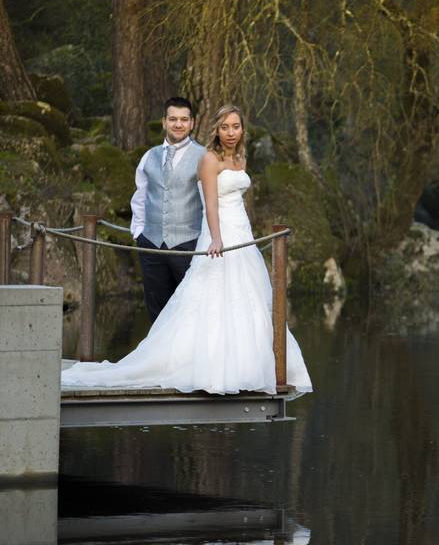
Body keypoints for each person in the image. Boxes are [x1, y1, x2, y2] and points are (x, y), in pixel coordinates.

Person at [62, 104, 312, 395]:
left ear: (243, 129)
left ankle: (249, 366)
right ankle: (204, 366)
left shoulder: (240, 157)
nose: (231, 132)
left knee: (248, 297)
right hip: (220, 233)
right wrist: (216, 238)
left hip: (241, 233)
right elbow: (210, 204)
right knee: (210, 297)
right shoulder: (209, 159)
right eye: (225, 127)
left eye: (236, 126)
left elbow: (237, 200)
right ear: (215, 130)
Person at [130, 97, 206, 321]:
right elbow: (140, 197)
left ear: (192, 123)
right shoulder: (149, 156)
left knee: (190, 309)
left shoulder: (204, 157)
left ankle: (188, 357)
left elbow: (209, 202)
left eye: (184, 119)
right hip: (151, 245)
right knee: (157, 310)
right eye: (173, 119)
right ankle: (160, 357)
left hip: (188, 245)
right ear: (164, 122)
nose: (178, 124)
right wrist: (139, 232)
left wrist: (203, 240)